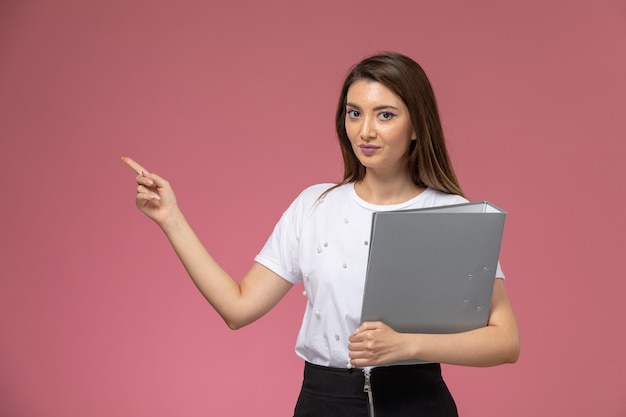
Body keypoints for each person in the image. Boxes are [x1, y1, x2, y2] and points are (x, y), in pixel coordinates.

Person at [122, 52, 520, 417]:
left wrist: (409, 345)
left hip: (417, 401)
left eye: (385, 115)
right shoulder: (314, 206)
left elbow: (505, 341)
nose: (365, 130)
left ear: (417, 126)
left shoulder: (449, 213)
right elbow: (237, 308)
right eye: (354, 113)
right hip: (323, 401)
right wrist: (171, 219)